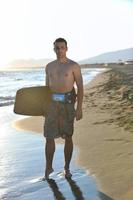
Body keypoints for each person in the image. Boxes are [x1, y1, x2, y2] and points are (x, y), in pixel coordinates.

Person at [43, 38, 83, 179]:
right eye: (57, 48)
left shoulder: (74, 66)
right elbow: (46, 89)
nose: (60, 50)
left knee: (68, 136)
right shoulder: (49, 66)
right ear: (54, 49)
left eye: (62, 47)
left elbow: (80, 87)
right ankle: (48, 167)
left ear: (67, 48)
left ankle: (66, 167)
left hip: (68, 104)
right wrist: (43, 107)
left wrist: (79, 108)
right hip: (52, 105)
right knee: (49, 136)